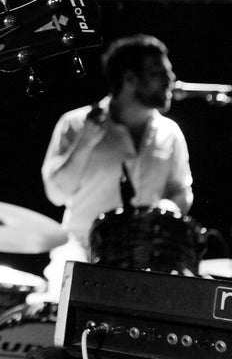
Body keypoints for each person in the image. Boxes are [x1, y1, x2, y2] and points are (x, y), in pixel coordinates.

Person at [39, 34, 193, 293]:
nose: (171, 79)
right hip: (82, 255)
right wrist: (85, 143)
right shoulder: (75, 124)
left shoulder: (171, 132)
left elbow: (181, 191)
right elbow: (56, 193)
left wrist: (168, 207)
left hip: (148, 261)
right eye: (158, 71)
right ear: (130, 79)